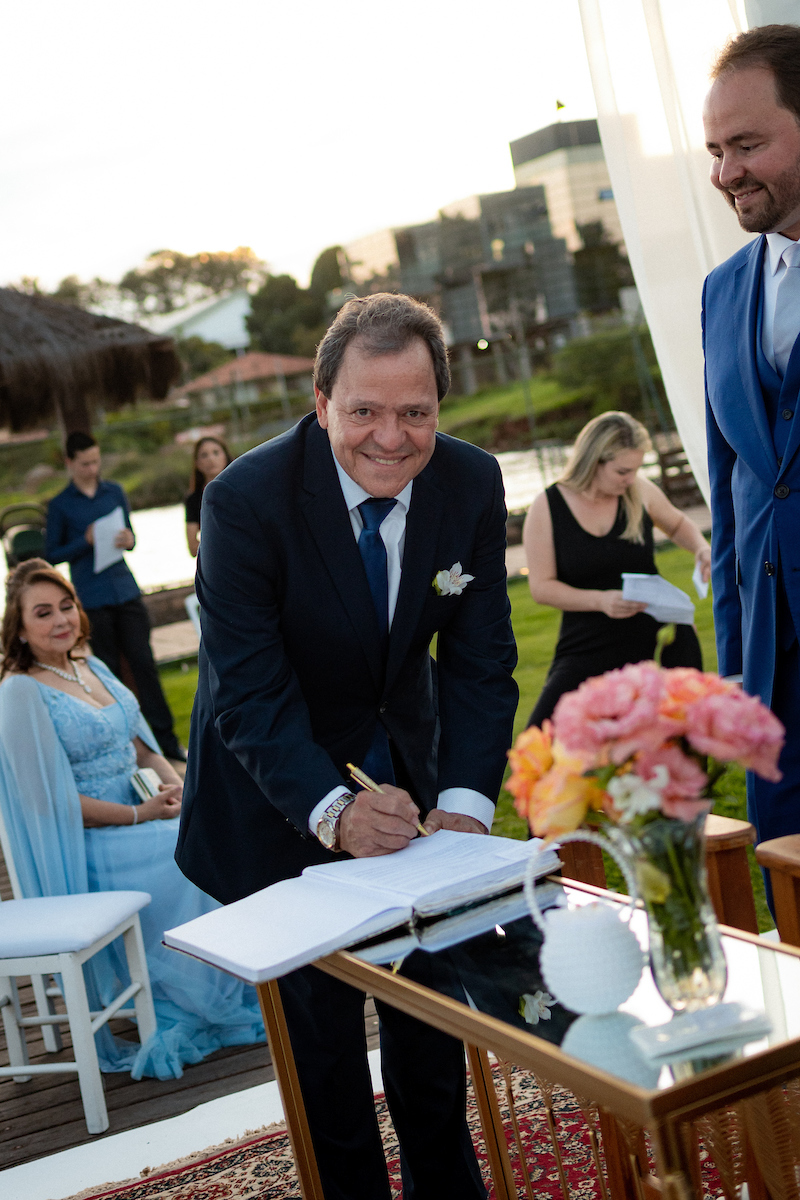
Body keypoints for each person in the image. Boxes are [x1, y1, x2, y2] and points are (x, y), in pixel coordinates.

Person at [176, 293, 518, 1200]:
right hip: (274, 793)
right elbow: (249, 691)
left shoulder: (473, 483)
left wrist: (468, 803)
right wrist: (332, 810)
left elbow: (482, 661)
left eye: (416, 412)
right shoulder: (244, 501)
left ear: (441, 406)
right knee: (325, 1051)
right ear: (322, 401)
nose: (392, 438)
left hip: (413, 781)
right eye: (364, 410)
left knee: (432, 1017)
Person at [0, 558, 264, 1079]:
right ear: (20, 627)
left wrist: (179, 790)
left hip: (143, 816)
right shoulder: (19, 692)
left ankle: (230, 974)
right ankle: (199, 995)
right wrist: (138, 812)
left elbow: (144, 748)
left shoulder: (90, 664)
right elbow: (47, 805)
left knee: (213, 831)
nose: (61, 620)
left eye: (67, 605)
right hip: (90, 844)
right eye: (43, 612)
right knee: (184, 856)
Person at [702, 25, 800, 906]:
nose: (726, 172)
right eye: (716, 150)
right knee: (790, 890)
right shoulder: (719, 290)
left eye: (748, 144)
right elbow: (732, 493)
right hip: (772, 674)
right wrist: (736, 668)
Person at [523, 411, 710, 727]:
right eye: (623, 470)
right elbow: (541, 587)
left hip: (659, 634)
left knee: (677, 743)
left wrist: (701, 548)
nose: (630, 478)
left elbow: (678, 524)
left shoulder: (639, 491)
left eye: (636, 469)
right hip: (587, 644)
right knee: (545, 735)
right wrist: (601, 601)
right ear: (594, 461)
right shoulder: (548, 506)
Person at [46, 431, 185, 762]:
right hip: (92, 598)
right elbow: (51, 554)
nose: (92, 468)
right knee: (107, 673)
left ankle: (168, 743)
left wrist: (129, 539)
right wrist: (85, 540)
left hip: (125, 589)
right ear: (69, 463)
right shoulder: (60, 505)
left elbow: (131, 537)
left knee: (144, 666)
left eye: (95, 461)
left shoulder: (115, 492)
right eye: (84, 464)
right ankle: (125, 748)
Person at [184, 435, 232, 557]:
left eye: (216, 453)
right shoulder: (194, 500)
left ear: (225, 456)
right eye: (204, 455)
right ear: (197, 463)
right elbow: (193, 547)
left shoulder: (242, 488)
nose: (211, 459)